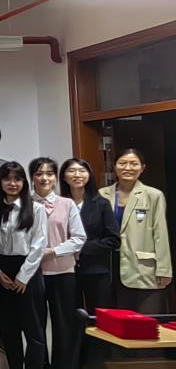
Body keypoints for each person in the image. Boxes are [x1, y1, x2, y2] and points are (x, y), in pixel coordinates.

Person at [28, 157, 85, 369]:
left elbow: (79, 238)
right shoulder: (24, 204)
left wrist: (53, 251)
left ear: (55, 177)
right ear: (32, 177)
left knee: (63, 325)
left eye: (49, 173)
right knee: (36, 326)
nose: (44, 178)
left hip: (63, 272)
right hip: (32, 274)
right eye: (39, 174)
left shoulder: (67, 204)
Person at [99, 148, 172, 313]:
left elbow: (160, 233)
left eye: (133, 164)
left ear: (142, 168)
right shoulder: (102, 194)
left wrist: (164, 269)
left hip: (142, 267)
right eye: (122, 163)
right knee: (115, 321)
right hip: (109, 265)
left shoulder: (153, 195)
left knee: (145, 320)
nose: (128, 168)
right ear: (114, 166)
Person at [0, 162, 48, 369]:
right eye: (7, 179)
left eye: (17, 179)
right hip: (2, 272)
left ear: (25, 182)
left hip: (28, 271)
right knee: (8, 329)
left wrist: (23, 277)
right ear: (0, 182)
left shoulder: (36, 209)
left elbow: (39, 244)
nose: (12, 183)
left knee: (34, 330)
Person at [60, 158, 119, 314]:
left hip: (96, 269)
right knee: (70, 316)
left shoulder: (101, 204)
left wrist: (80, 248)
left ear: (89, 175)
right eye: (71, 171)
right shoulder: (59, 204)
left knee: (99, 316)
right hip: (65, 270)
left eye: (82, 171)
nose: (77, 175)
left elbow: (113, 240)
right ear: (64, 177)